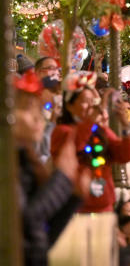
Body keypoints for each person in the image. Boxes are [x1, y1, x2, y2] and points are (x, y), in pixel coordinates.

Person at [15, 70, 84, 266]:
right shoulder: (9, 164)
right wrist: (62, 179)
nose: (39, 118)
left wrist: (73, 199)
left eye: (39, 108)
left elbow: (40, 238)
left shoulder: (26, 159)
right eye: (28, 108)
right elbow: (24, 222)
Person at [50, 72, 130, 214]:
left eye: (93, 101)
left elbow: (125, 155)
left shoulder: (100, 130)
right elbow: (78, 143)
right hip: (75, 210)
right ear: (70, 106)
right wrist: (93, 119)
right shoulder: (62, 131)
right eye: (85, 101)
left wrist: (125, 127)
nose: (91, 106)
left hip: (104, 206)